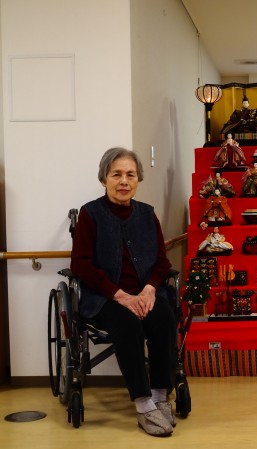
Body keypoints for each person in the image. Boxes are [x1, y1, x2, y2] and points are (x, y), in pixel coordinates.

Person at [70, 147, 176, 436]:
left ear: (138, 179)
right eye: (116, 174)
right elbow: (81, 264)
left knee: (163, 318)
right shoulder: (91, 214)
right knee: (128, 324)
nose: (124, 181)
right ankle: (143, 405)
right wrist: (120, 295)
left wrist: (150, 290)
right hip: (105, 298)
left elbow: (161, 262)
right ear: (104, 179)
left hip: (144, 294)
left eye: (130, 174)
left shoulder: (147, 214)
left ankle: (159, 396)